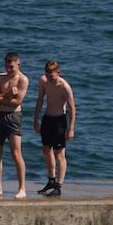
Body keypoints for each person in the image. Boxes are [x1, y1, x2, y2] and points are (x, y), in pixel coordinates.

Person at [0, 52, 29, 199]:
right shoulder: (0, 77)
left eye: (11, 66)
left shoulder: (23, 80)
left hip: (13, 117)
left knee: (16, 152)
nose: (9, 69)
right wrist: (7, 93)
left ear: (18, 64)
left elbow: (17, 102)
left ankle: (22, 188)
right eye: (7, 66)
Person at [33, 60, 76, 197]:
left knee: (59, 153)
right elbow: (40, 100)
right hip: (47, 118)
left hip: (59, 120)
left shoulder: (64, 87)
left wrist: (71, 129)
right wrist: (36, 120)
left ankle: (59, 185)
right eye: (47, 73)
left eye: (52, 73)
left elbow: (72, 108)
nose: (50, 76)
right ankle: (51, 180)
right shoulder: (43, 81)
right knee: (46, 149)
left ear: (58, 72)